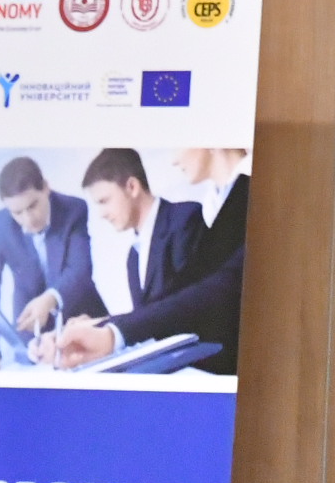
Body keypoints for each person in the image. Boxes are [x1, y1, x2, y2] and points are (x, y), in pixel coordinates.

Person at [42, 147, 243, 373]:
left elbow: (185, 306)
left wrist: (107, 327)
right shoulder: (133, 257)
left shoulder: (184, 219)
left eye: (104, 201)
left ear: (132, 187)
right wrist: (98, 325)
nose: (101, 213)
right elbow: (150, 318)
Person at [0, 157, 92, 367]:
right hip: (30, 335)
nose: (28, 220)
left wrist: (50, 299)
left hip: (82, 317)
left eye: (33, 206)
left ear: (46, 188)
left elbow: (80, 270)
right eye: (17, 213)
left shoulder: (74, 209)